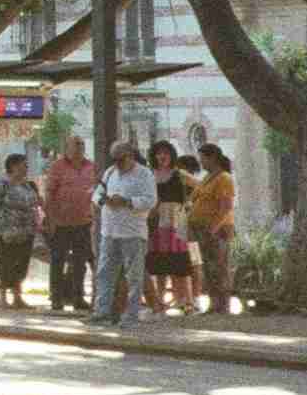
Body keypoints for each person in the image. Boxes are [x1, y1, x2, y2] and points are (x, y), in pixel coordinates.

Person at [92, 141, 154, 327]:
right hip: (109, 231)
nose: (117, 163)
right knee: (104, 273)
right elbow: (96, 195)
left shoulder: (144, 174)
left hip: (132, 233)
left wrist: (127, 202)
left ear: (130, 155)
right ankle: (102, 311)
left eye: (121, 158)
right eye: (114, 159)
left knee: (133, 276)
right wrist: (105, 201)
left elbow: (150, 200)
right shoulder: (110, 172)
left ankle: (131, 314)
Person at [41, 136, 97, 312]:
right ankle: (56, 298)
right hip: (61, 222)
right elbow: (49, 194)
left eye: (82, 144)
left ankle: (78, 297)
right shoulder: (57, 166)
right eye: (76, 144)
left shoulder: (91, 166)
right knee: (58, 261)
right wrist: (49, 219)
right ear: (67, 148)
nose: (80, 147)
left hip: (84, 222)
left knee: (80, 262)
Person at [0, 151, 43, 309]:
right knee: (7, 262)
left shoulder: (28, 185)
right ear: (13, 166)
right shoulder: (1, 184)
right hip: (6, 232)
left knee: (22, 263)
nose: (26, 168)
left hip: (27, 230)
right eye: (24, 165)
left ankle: (17, 296)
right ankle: (2, 297)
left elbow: (37, 203)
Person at [146, 140, 194, 313]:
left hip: (176, 223)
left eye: (165, 152)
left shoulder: (179, 174)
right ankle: (159, 300)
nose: (162, 156)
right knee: (159, 264)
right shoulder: (149, 175)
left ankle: (185, 300)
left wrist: (189, 205)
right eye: (159, 153)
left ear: (172, 155)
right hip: (156, 224)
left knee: (179, 264)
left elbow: (199, 187)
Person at [190, 143, 239, 313]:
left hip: (217, 229)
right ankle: (213, 303)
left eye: (203, 158)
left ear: (212, 158)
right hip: (201, 228)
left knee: (219, 267)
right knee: (208, 268)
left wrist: (214, 227)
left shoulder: (224, 178)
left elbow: (226, 206)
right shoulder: (207, 177)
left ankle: (222, 305)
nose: (201, 162)